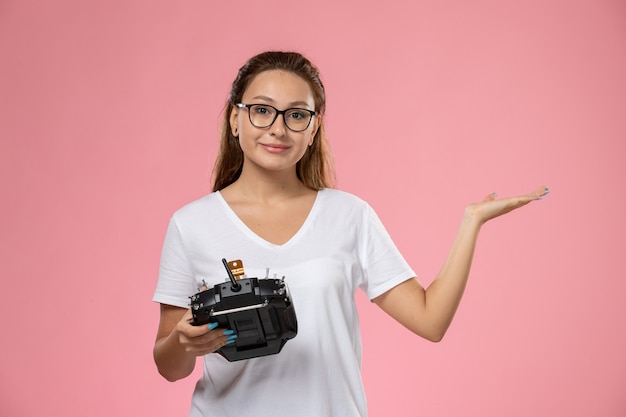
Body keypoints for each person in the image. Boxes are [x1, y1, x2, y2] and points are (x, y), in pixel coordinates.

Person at [152, 51, 549, 417]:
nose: (278, 128)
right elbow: (170, 367)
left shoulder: (349, 216)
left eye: (296, 115)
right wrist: (184, 343)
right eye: (261, 111)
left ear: (314, 128)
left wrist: (472, 221)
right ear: (234, 119)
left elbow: (431, 321)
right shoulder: (191, 225)